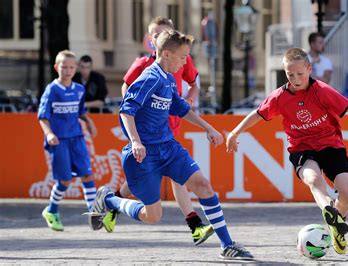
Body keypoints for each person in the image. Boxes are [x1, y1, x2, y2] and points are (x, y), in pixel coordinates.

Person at [88, 29, 253, 260]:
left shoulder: (167, 79)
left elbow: (181, 108)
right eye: (183, 56)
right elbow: (126, 111)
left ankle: (227, 245)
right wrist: (136, 141)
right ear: (166, 54)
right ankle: (108, 199)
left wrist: (209, 128)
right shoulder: (150, 77)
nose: (185, 62)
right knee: (153, 216)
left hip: (168, 147)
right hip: (143, 156)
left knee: (203, 185)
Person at [226, 47, 348, 255]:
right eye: (290, 74)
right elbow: (258, 113)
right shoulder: (279, 96)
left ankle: (336, 225)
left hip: (331, 145)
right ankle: (328, 210)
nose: (295, 79)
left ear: (309, 69)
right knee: (313, 179)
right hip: (302, 147)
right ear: (285, 73)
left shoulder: (322, 91)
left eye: (300, 74)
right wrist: (235, 132)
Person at [102, 17, 212, 246]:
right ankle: (113, 202)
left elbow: (191, 87)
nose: (157, 37)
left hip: (168, 133)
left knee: (180, 177)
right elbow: (128, 96)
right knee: (141, 188)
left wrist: (194, 102)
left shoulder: (177, 66)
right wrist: (137, 132)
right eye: (154, 34)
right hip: (145, 137)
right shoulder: (145, 67)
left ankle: (195, 226)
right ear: (152, 40)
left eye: (163, 32)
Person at [38, 50, 98, 231]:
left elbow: (81, 112)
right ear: (57, 67)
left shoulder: (79, 89)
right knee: (64, 181)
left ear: (76, 69)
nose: (68, 70)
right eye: (64, 66)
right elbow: (42, 116)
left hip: (77, 139)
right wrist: (49, 134)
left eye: (72, 67)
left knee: (87, 174)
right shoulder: (52, 90)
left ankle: (94, 213)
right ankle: (51, 211)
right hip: (59, 141)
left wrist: (89, 122)